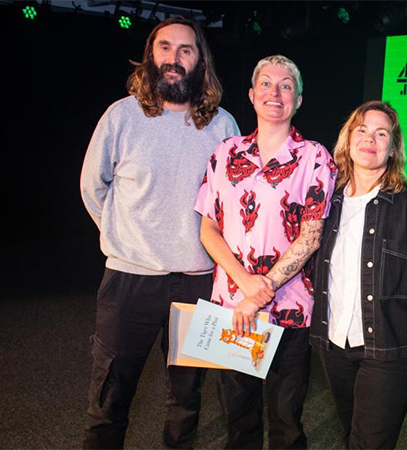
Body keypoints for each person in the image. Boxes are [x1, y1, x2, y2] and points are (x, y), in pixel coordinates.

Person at [79, 16, 240, 449]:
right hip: (129, 281)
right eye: (165, 47)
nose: (174, 58)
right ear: (151, 55)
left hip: (196, 282)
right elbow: (92, 186)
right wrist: (123, 238)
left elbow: (234, 201)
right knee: (110, 397)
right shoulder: (121, 116)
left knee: (186, 397)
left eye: (185, 50)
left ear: (200, 62)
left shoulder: (222, 125)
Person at [195, 54, 336, 449]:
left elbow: (311, 235)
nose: (276, 92)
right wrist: (245, 287)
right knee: (238, 419)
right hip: (234, 309)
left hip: (290, 311)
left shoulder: (315, 158)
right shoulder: (225, 152)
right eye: (267, 84)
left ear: (299, 100)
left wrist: (265, 286)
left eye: (287, 85)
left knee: (286, 420)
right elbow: (207, 227)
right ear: (252, 95)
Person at [309, 100, 407, 449]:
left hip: (391, 350)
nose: (369, 139)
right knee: (351, 433)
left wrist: (400, 299)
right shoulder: (327, 202)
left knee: (369, 443)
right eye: (362, 130)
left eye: (381, 133)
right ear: (348, 139)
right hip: (335, 346)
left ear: (393, 147)